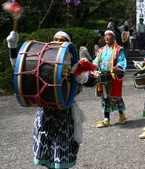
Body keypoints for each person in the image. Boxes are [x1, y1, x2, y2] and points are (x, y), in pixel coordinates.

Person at [7, 30, 97, 169]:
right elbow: (19, 66)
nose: (57, 41)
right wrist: (12, 46)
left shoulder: (75, 63)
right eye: (55, 38)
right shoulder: (43, 61)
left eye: (62, 40)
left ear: (69, 44)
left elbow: (93, 81)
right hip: (46, 113)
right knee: (46, 151)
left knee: (63, 153)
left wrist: (82, 77)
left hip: (65, 115)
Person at [92, 30, 127, 127]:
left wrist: (118, 67)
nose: (107, 37)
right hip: (103, 75)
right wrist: (93, 67)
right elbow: (96, 61)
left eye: (109, 35)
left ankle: (122, 115)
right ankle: (106, 118)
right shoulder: (101, 50)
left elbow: (122, 61)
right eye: (105, 36)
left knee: (116, 97)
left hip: (113, 76)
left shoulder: (118, 49)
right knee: (104, 97)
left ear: (113, 37)